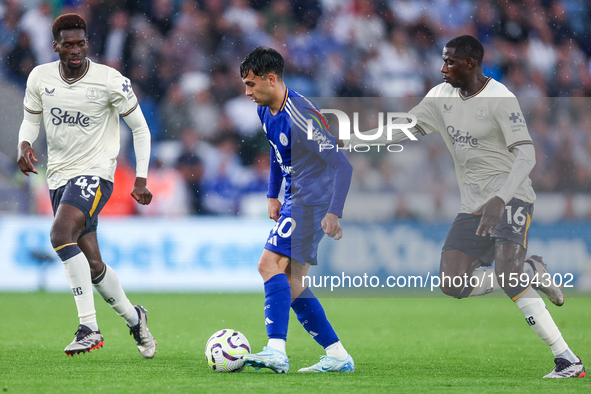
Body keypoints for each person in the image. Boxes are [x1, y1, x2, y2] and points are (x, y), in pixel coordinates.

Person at [346, 35, 584, 379]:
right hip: (473, 204)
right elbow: (401, 130)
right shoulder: (440, 96)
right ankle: (532, 271)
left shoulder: (501, 99)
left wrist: (501, 196)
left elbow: (527, 155)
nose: (442, 69)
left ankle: (568, 359)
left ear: (470, 64)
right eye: (443, 61)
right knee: (452, 284)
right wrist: (349, 140)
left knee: (507, 273)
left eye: (449, 62)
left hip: (512, 196)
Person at [16, 13, 156, 358]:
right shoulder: (40, 77)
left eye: (81, 43)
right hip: (59, 176)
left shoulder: (111, 81)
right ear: (56, 47)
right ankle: (134, 317)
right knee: (92, 264)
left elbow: (140, 128)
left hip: (96, 173)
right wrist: (24, 145)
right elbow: (30, 121)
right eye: (68, 45)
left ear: (87, 44)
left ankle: (88, 328)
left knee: (60, 235)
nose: (76, 50)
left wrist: (140, 178)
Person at [239, 47, 355, 373]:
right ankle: (337, 355)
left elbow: (342, 166)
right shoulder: (265, 110)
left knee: (268, 264)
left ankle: (276, 350)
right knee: (292, 282)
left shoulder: (302, 116)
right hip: (294, 197)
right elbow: (278, 153)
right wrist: (272, 195)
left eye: (251, 84)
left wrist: (334, 212)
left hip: (312, 200)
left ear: (271, 79)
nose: (247, 92)